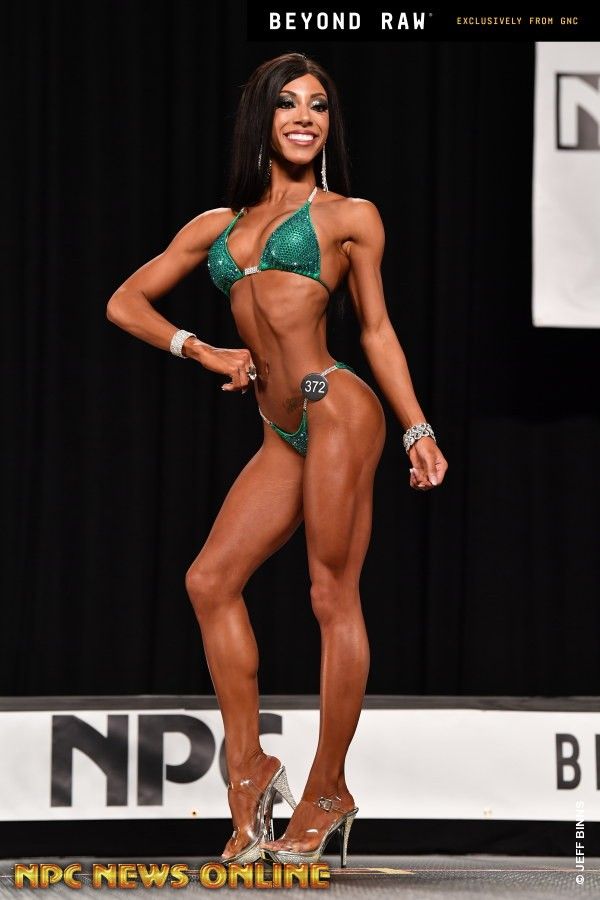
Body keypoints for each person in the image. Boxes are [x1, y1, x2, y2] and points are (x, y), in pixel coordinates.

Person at [106, 51, 448, 868]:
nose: (304, 117)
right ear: (261, 118)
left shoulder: (348, 217)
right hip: (279, 429)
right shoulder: (217, 227)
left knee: (331, 593)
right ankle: (249, 770)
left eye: (318, 106)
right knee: (209, 581)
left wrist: (417, 428)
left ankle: (328, 790)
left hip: (337, 406)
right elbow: (125, 302)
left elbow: (376, 330)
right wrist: (202, 350)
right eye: (289, 103)